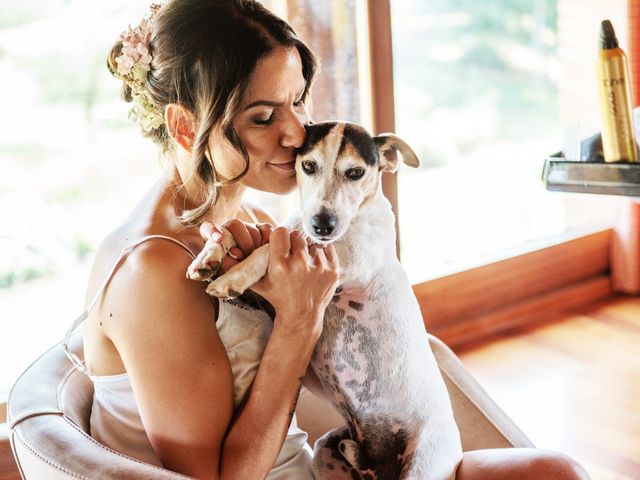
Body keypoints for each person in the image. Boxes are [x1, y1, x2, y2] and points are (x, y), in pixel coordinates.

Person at [74, 0, 591, 478]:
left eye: (298, 102)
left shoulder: (249, 215)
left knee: (556, 472)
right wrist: (299, 321)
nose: (298, 132)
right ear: (186, 127)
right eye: (263, 117)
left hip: (319, 462)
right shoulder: (153, 274)